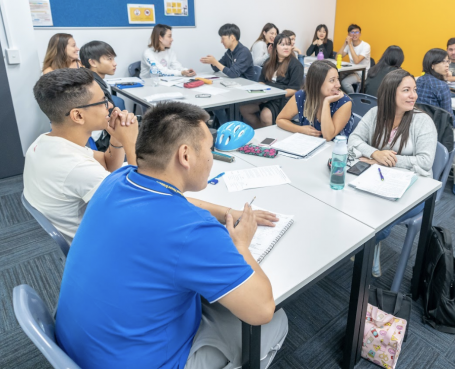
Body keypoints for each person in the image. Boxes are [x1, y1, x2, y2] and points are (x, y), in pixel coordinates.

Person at [54, 102, 288, 369]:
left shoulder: (118, 179)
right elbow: (261, 311)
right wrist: (242, 245)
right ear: (185, 155)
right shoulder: (192, 230)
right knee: (276, 321)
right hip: (143, 362)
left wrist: (227, 212)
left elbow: (180, 203)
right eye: (210, 149)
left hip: (80, 348)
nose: (211, 157)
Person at [23, 68, 138, 240]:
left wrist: (117, 139)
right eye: (103, 101)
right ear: (77, 115)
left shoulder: (45, 141)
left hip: (90, 229)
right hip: (99, 244)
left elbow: (108, 164)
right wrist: (131, 143)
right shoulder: (77, 167)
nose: (111, 106)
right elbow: (141, 203)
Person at [348, 69, 437, 276]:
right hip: (378, 179)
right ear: (390, 93)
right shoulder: (375, 113)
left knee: (379, 222)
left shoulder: (422, 121)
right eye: (406, 90)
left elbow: (425, 162)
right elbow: (354, 140)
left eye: (414, 90)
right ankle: (364, 243)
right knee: (349, 203)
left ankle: (371, 245)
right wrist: (376, 153)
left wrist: (386, 161)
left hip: (416, 189)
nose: (413, 95)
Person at [276, 60, 354, 141]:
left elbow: (328, 136)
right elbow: (280, 120)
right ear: (317, 83)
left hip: (335, 148)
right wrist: (301, 129)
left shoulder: (344, 102)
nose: (338, 85)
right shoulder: (302, 96)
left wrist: (326, 103)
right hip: (308, 144)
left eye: (337, 79)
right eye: (332, 80)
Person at [239, 33, 304, 128]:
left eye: (288, 44)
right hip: (267, 96)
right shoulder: (269, 62)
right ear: (275, 47)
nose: (286, 47)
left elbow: (294, 89)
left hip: (283, 98)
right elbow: (261, 81)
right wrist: (263, 93)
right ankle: (260, 130)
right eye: (282, 44)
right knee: (244, 109)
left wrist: (273, 95)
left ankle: (266, 133)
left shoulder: (296, 65)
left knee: (266, 115)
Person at [416, 48, 455, 143]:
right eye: (443, 62)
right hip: (437, 133)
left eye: (448, 61)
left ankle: (453, 149)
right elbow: (449, 117)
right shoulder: (442, 86)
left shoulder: (418, 80)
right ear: (432, 65)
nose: (447, 65)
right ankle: (452, 149)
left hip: (419, 128)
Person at [80, 40, 120, 151]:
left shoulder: (89, 78)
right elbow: (110, 118)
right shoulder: (95, 86)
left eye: (113, 59)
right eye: (109, 59)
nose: (114, 63)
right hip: (101, 141)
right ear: (93, 62)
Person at [339, 24, 371, 92]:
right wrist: (345, 43)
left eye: (356, 32)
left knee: (345, 83)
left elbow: (356, 61)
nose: (354, 34)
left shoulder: (366, 46)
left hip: (361, 73)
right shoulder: (348, 45)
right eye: (352, 32)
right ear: (348, 34)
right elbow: (337, 58)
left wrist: (350, 44)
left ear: (360, 34)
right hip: (351, 70)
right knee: (336, 77)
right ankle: (341, 96)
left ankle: (352, 98)